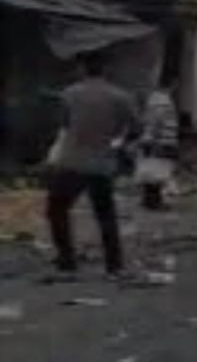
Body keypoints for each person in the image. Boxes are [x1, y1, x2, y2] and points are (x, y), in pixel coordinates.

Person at [46, 54, 135, 277]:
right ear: (106, 70)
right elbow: (133, 127)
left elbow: (64, 125)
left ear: (82, 69)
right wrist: (116, 141)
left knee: (57, 209)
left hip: (72, 161)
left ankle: (66, 260)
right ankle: (114, 265)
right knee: (105, 215)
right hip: (102, 163)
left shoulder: (70, 94)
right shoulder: (121, 97)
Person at [136, 81, 180, 211]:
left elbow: (150, 121)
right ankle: (153, 202)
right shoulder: (163, 102)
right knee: (157, 173)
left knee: (152, 172)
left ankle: (149, 200)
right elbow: (156, 122)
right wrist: (151, 138)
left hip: (155, 140)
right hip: (161, 140)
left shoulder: (154, 100)